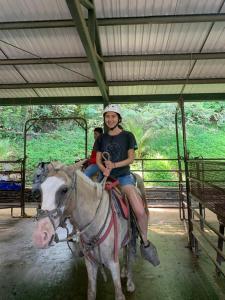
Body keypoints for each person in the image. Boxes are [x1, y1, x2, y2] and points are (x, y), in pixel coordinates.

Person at [95, 104, 160, 266]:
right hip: (106, 177)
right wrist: (104, 170)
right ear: (104, 119)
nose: (110, 119)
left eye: (113, 116)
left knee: (139, 210)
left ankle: (144, 241)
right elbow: (97, 160)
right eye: (107, 116)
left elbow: (131, 159)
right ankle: (85, 238)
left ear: (118, 118)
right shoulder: (101, 138)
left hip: (123, 178)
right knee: (87, 201)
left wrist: (114, 166)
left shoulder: (128, 136)